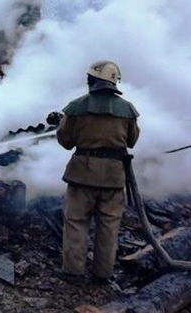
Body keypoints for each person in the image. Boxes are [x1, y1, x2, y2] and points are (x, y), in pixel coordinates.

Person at [55, 61, 140, 286]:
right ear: (114, 82)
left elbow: (65, 141)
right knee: (109, 226)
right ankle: (103, 274)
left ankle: (73, 272)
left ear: (91, 81)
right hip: (113, 177)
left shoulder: (75, 107)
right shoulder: (128, 110)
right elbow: (131, 141)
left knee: (76, 222)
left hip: (82, 174)